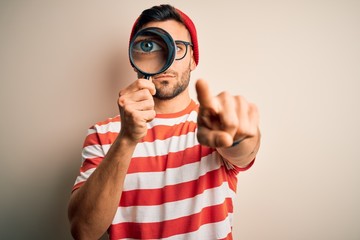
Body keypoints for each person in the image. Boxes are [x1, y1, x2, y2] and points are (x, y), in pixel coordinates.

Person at [68, 4, 261, 240]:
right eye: (149, 46)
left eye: (178, 47)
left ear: (193, 59)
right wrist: (127, 139)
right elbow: (84, 231)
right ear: (134, 58)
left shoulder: (213, 124)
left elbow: (243, 151)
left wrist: (238, 136)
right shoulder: (103, 134)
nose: (166, 61)